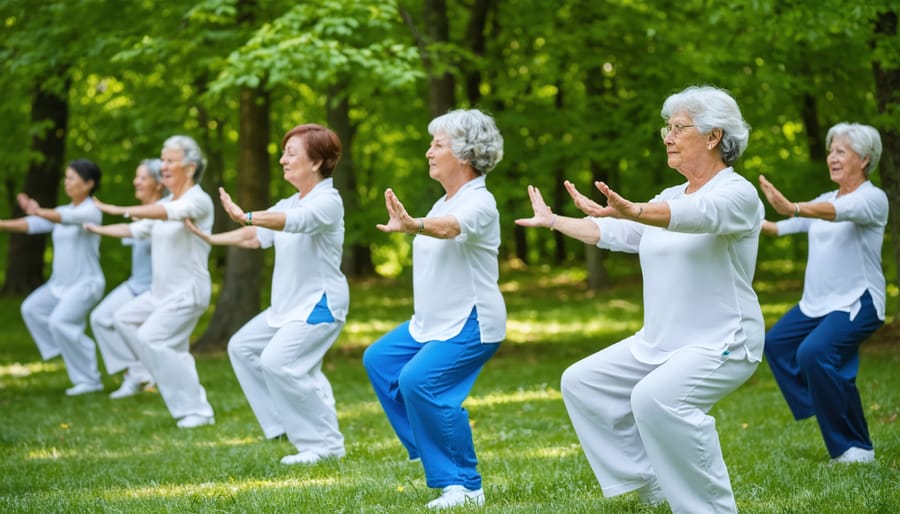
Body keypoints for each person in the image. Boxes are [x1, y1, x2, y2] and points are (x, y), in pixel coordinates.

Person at [516, 86, 763, 513]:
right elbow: (615, 233)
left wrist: (634, 210)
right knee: (582, 382)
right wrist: (555, 220)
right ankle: (651, 482)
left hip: (723, 341)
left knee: (656, 400)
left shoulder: (737, 194)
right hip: (661, 342)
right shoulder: (669, 196)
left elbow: (696, 217)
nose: (667, 135)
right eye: (666, 127)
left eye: (679, 127)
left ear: (713, 136)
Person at [362, 109, 506, 510]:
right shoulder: (447, 198)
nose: (429, 152)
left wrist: (414, 225)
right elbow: (441, 222)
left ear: (464, 154)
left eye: (437, 145)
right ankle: (428, 445)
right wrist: (416, 224)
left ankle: (466, 486)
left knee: (422, 383)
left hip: (472, 321)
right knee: (380, 361)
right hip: (430, 323)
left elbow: (451, 227)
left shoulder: (479, 202)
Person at [184, 123, 349, 464]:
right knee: (243, 348)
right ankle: (282, 425)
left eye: (291, 154)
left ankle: (326, 446)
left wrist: (245, 215)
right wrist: (213, 238)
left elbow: (294, 222)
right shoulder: (291, 200)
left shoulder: (328, 202)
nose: (282, 161)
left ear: (316, 162)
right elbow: (256, 236)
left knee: (279, 363)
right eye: (283, 153)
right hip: (288, 308)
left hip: (320, 305)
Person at [757, 123, 886, 464]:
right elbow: (778, 227)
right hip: (816, 304)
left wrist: (794, 207)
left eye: (840, 151)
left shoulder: (872, 199)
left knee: (813, 353)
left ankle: (854, 449)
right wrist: (738, 217)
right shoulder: (824, 200)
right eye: (830, 151)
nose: (832, 158)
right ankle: (825, 397)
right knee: (777, 344)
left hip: (858, 301)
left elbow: (837, 213)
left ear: (865, 158)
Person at [92, 135, 216, 429]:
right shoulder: (166, 201)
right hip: (160, 294)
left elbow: (166, 214)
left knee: (153, 340)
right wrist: (96, 228)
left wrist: (117, 208)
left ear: (191, 166)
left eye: (171, 160)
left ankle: (197, 410)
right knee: (122, 318)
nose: (164, 166)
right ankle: (164, 388)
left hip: (188, 293)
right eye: (163, 160)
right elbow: (136, 230)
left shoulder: (197, 200)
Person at [0, 159, 105, 396]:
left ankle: (90, 380)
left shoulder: (91, 210)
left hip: (86, 284)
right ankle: (64, 349)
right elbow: (32, 224)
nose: (66, 183)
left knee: (60, 322)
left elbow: (56, 217)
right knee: (31, 309)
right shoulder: (64, 211)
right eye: (65, 177)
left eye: (72, 178)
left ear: (88, 184)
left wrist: (38, 210)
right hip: (59, 285)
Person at [85, 159, 166, 399]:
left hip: (154, 289)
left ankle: (143, 374)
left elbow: (129, 232)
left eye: (142, 177)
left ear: (159, 184)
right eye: (136, 177)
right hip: (135, 284)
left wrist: (97, 228)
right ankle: (137, 373)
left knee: (131, 326)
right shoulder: (141, 213)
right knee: (100, 318)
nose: (136, 182)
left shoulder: (165, 211)